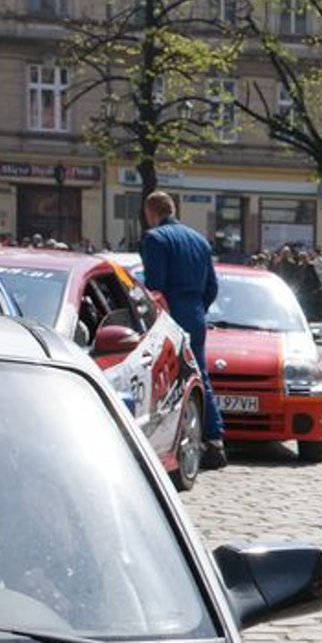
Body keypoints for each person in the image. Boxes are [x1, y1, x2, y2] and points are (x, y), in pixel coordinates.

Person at [140, 191, 227, 470]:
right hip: (196, 315)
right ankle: (214, 441)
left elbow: (155, 287)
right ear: (172, 209)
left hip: (171, 316)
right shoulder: (199, 240)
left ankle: (167, 443)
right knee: (200, 376)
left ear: (150, 212)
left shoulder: (155, 239)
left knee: (165, 380)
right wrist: (196, 309)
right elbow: (212, 287)